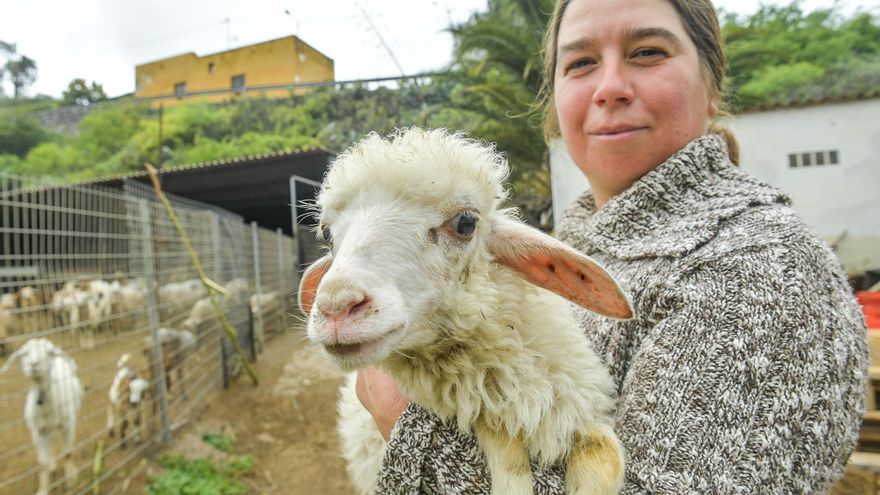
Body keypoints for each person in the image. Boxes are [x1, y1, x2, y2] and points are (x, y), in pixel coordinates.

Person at [357, 0, 869, 493]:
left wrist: (401, 418)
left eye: (647, 52)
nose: (609, 88)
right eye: (580, 63)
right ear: (555, 102)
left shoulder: (756, 266)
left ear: (711, 85)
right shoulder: (569, 247)